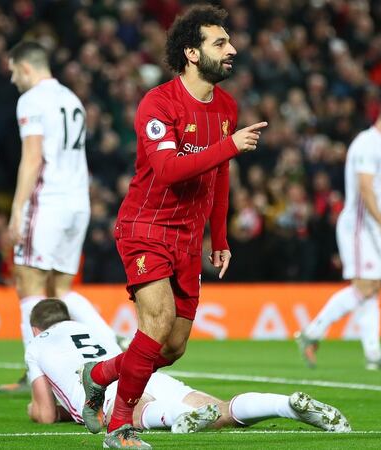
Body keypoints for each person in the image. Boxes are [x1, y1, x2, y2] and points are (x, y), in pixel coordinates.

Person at [79, 6, 268, 448]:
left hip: (188, 237)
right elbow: (165, 169)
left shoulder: (225, 106)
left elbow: (219, 174)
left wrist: (218, 237)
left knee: (172, 346)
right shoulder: (158, 103)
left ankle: (100, 373)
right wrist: (229, 145)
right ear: (190, 52)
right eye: (220, 43)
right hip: (145, 226)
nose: (231, 49)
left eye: (229, 41)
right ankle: (119, 427)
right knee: (158, 320)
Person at [27, 299, 351, 434]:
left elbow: (43, 413)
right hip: (146, 373)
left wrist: (46, 410)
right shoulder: (95, 329)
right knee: (220, 411)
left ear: (36, 329)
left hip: (106, 387)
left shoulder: (37, 344)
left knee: (138, 413)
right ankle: (285, 405)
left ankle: (176, 418)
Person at [0, 40, 120, 393]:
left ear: (25, 68)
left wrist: (17, 207)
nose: (11, 80)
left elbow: (33, 156)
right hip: (77, 201)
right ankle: (112, 346)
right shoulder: (71, 98)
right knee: (62, 289)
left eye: (12, 71)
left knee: (29, 283)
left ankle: (34, 376)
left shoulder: (32, 100)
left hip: (48, 201)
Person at [295, 100, 381, 371]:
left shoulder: (374, 143)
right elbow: (365, 188)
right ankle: (312, 332)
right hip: (360, 225)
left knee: (373, 287)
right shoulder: (370, 144)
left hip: (367, 225)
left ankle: (374, 354)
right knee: (365, 286)